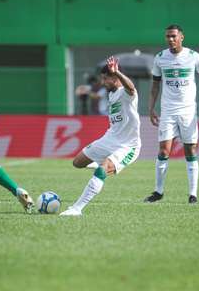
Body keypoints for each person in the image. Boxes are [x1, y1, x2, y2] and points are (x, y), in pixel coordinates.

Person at [144, 24, 199, 204]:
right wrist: (150, 108)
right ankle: (158, 192)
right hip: (168, 111)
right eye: (167, 37)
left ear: (181, 37)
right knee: (164, 150)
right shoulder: (160, 58)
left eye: (173, 36)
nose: (170, 39)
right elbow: (155, 85)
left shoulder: (193, 56)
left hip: (188, 111)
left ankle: (193, 194)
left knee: (190, 150)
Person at [60, 56, 141, 216]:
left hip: (127, 146)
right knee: (77, 162)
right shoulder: (110, 94)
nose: (103, 82)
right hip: (109, 139)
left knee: (102, 170)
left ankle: (77, 209)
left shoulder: (127, 94)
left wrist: (117, 72)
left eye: (105, 79)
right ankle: (101, 165)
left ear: (115, 78)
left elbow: (131, 88)